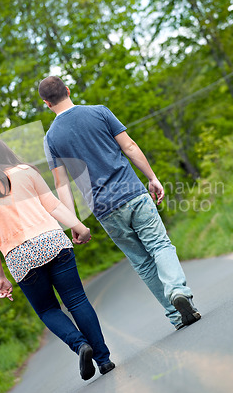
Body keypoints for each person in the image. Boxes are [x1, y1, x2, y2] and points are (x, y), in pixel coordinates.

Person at [39, 76, 201, 330]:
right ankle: (177, 291)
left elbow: (62, 185)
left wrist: (74, 222)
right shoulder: (99, 112)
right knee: (159, 245)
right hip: (133, 193)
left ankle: (175, 314)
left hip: (104, 208)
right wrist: (152, 177)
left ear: (47, 103)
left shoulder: (50, 139)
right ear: (68, 90)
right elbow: (130, 147)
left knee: (142, 262)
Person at [0, 132, 115, 380]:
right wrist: (79, 227)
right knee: (77, 300)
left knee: (48, 310)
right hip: (53, 241)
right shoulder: (26, 171)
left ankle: (80, 345)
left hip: (20, 257)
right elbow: (53, 205)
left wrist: (0, 277)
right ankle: (104, 359)